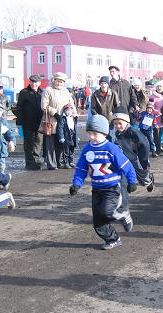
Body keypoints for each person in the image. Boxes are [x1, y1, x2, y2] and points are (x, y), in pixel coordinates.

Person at [69, 114, 138, 250]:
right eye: (90, 134)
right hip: (97, 189)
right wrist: (76, 184)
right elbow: (81, 169)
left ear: (104, 133)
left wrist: (132, 181)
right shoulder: (87, 150)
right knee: (98, 220)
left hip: (112, 188)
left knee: (107, 212)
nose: (92, 137)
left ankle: (122, 213)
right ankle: (113, 239)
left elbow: (126, 165)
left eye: (95, 134)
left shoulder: (111, 149)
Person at [41, 72, 74, 170]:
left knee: (60, 143)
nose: (59, 83)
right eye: (57, 80)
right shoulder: (48, 90)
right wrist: (55, 113)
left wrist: (73, 114)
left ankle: (59, 162)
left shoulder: (66, 92)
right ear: (53, 80)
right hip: (51, 121)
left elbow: (71, 103)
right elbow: (44, 106)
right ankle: (51, 164)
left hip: (64, 121)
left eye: (61, 81)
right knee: (50, 144)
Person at [15, 74, 43, 170]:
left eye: (35, 82)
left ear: (39, 83)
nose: (33, 84)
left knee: (38, 141)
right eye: (32, 82)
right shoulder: (24, 92)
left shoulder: (42, 93)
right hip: (28, 122)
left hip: (39, 123)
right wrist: (19, 122)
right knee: (28, 143)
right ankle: (29, 162)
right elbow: (19, 108)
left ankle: (36, 160)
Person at [0, 102, 16, 174]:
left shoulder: (3, 122)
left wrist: (12, 143)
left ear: (1, 112)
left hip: (2, 149)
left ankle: (1, 181)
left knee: (1, 166)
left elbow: (10, 133)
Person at [56, 102, 78, 168]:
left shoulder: (73, 118)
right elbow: (60, 128)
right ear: (64, 111)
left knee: (71, 150)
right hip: (66, 137)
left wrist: (77, 137)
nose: (69, 112)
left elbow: (75, 128)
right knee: (66, 151)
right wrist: (61, 137)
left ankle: (70, 161)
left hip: (72, 136)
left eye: (70, 111)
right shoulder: (63, 119)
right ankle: (66, 162)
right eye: (67, 111)